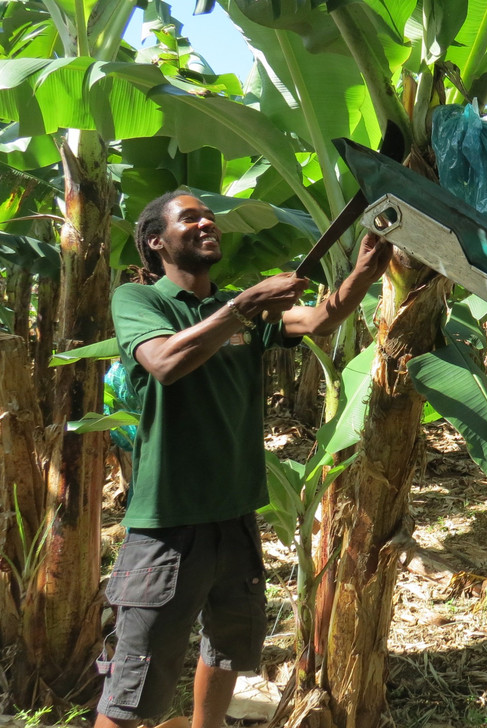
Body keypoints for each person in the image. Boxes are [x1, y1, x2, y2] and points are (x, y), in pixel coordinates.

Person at [95, 190, 392, 728]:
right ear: (155, 241)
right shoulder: (141, 300)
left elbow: (317, 320)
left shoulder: (237, 307)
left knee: (228, 647)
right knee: (135, 681)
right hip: (168, 521)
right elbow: (164, 362)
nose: (207, 222)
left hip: (236, 514)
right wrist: (245, 306)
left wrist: (363, 274)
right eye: (190, 218)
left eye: (209, 216)